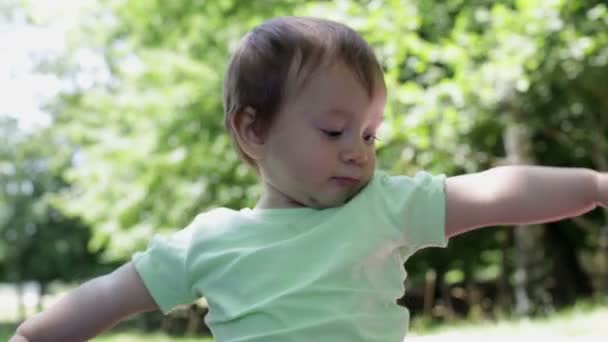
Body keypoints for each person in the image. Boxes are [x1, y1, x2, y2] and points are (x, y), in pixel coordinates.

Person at [11, 16, 608, 342]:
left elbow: (497, 191)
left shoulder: (383, 205)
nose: (358, 152)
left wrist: (596, 185)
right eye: (334, 131)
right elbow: (110, 296)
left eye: (370, 134)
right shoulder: (210, 241)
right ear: (253, 131)